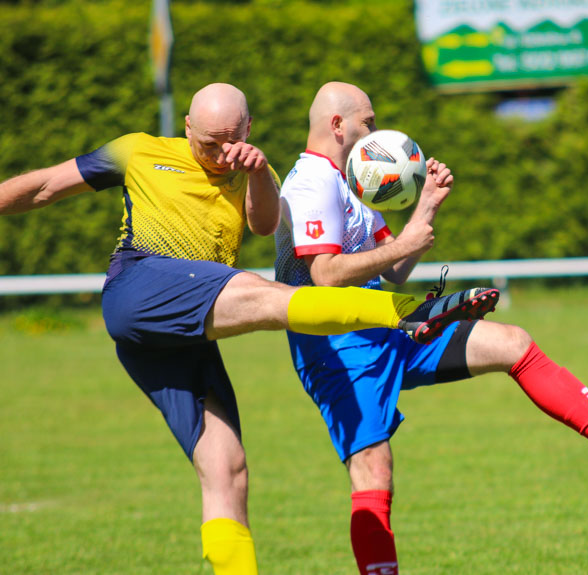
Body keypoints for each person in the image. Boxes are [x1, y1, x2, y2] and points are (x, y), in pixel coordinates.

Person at [0, 83, 499, 575]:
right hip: (141, 285)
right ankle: (408, 311)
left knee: (227, 470)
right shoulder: (139, 151)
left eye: (231, 141)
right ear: (187, 126)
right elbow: (43, 186)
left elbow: (262, 225)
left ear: (248, 130)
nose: (220, 154)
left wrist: (258, 172)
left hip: (182, 331)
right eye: (208, 142)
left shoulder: (252, 170)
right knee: (265, 295)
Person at [275, 81, 588, 575]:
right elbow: (324, 276)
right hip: (336, 345)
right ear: (337, 125)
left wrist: (427, 204)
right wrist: (404, 240)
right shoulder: (311, 182)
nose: (376, 127)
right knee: (374, 469)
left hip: (387, 323)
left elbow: (395, 271)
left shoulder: (356, 181)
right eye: (368, 121)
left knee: (513, 343)